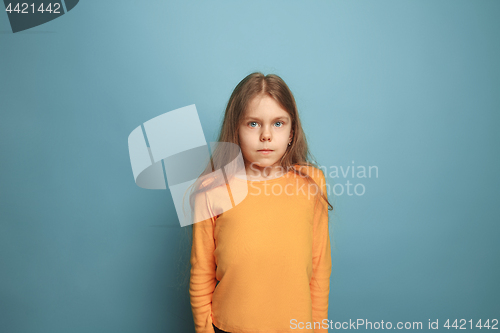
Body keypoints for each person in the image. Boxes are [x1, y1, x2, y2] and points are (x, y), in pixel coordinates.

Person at [188, 72, 334, 333]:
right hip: (229, 327)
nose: (266, 135)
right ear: (236, 129)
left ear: (292, 131)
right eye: (253, 124)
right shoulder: (211, 190)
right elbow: (201, 273)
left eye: (278, 123)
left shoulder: (311, 183)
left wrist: (319, 329)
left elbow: (320, 266)